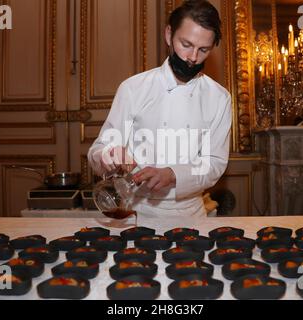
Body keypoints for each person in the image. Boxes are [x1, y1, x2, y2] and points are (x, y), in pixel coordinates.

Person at [88, 0, 232, 218]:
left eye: (203, 50)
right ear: (168, 35)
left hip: (190, 215)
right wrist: (109, 155)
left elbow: (214, 164)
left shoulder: (219, 97)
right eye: (186, 44)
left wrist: (173, 174)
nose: (193, 58)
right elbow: (98, 150)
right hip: (135, 213)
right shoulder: (133, 88)